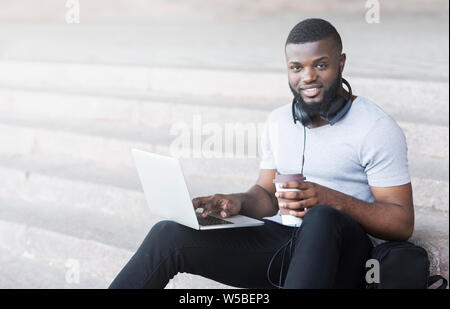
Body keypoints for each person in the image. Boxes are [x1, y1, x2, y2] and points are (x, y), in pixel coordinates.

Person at [109, 18, 414, 289]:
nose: (307, 76)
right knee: (169, 235)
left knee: (321, 217)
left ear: (341, 63)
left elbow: (401, 223)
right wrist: (236, 202)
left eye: (320, 65)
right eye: (297, 67)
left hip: (345, 258)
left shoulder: (375, 127)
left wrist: (329, 200)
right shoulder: (280, 120)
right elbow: (267, 196)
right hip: (285, 245)